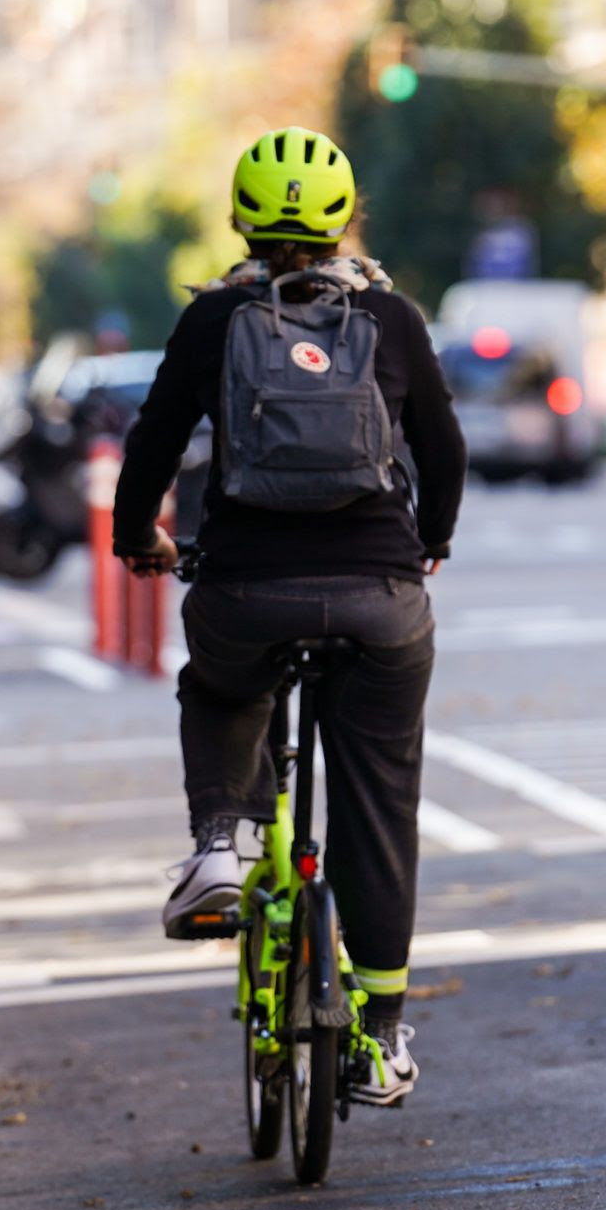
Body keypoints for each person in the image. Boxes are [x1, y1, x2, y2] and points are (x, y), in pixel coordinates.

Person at [111, 126, 466, 1107]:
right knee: (378, 803)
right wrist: (428, 537)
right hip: (379, 596)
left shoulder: (215, 320)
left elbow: (152, 441)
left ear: (242, 220)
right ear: (344, 219)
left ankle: (223, 839)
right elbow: (441, 444)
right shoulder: (391, 318)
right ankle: (381, 1033)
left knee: (219, 681)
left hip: (242, 587)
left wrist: (135, 532)